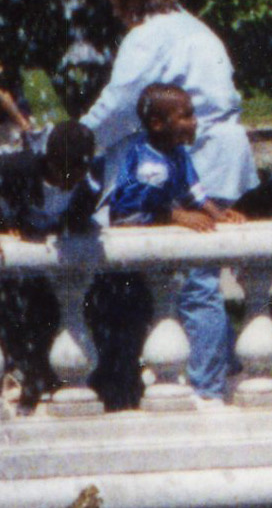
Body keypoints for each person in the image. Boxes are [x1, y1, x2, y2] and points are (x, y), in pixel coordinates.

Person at [88, 0, 255, 400]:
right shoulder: (197, 28)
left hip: (197, 156)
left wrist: (75, 144)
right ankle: (220, 367)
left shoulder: (148, 37)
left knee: (194, 281)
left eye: (116, 4)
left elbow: (122, 105)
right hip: (222, 154)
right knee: (198, 276)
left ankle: (204, 389)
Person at [91, 81, 243, 412]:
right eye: (185, 116)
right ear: (158, 124)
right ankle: (120, 389)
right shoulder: (145, 159)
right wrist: (174, 215)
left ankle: (190, 384)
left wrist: (217, 213)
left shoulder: (176, 153)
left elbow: (194, 190)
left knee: (171, 307)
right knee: (131, 322)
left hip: (158, 251)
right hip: (131, 258)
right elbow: (127, 210)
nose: (193, 122)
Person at [0, 118, 100, 410]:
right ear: (51, 161)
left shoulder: (88, 186)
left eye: (79, 172)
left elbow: (79, 219)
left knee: (46, 318)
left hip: (42, 267)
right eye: (66, 171)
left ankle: (35, 384)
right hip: (0, 257)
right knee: (3, 319)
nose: (71, 180)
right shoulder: (17, 168)